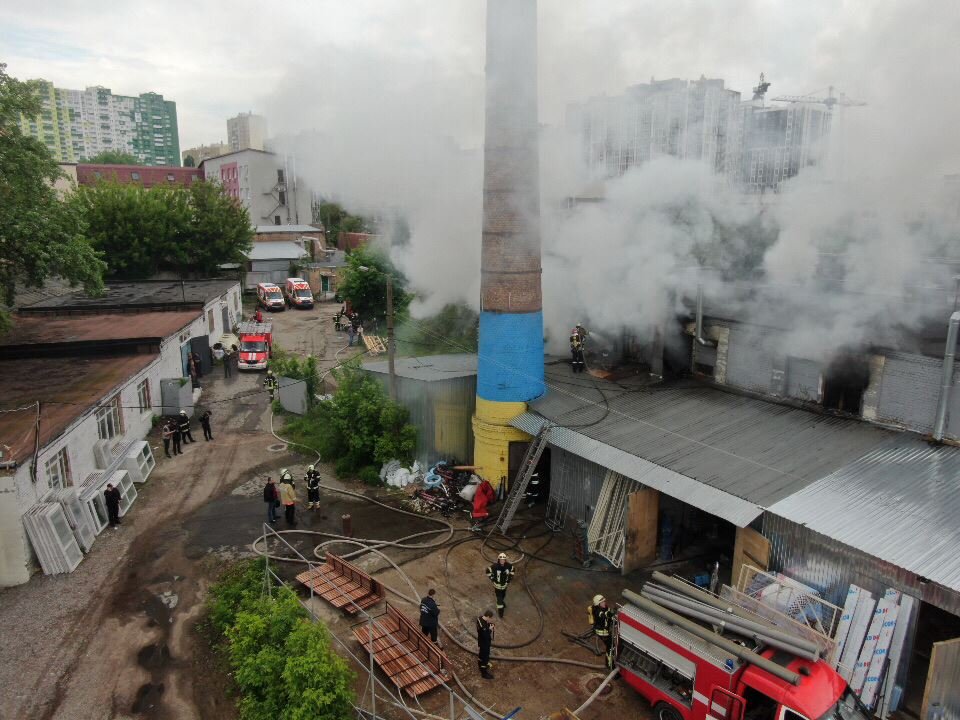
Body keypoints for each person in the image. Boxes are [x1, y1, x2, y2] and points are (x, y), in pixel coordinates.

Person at [486, 552, 515, 618]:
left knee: (503, 595)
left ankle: (502, 602)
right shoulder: (494, 566)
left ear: (505, 560)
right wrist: (492, 579)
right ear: (498, 560)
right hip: (497, 587)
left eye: (503, 559)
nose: (502, 561)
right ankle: (501, 613)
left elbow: (513, 570)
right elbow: (487, 571)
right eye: (501, 560)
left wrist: (509, 578)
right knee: (499, 601)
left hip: (504, 586)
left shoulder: (509, 566)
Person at [589, 595, 614, 668]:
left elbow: (609, 613)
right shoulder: (597, 611)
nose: (604, 603)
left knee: (612, 646)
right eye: (602, 602)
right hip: (602, 633)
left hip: (606, 631)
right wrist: (611, 614)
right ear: (598, 604)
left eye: (604, 601)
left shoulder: (605, 608)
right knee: (610, 647)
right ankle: (610, 665)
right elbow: (604, 615)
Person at [476, 610, 495, 679]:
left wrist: (489, 625)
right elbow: (486, 635)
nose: (490, 620)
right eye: (490, 618)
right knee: (485, 657)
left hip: (481, 641)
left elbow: (484, 626)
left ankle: (480, 665)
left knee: (481, 655)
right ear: (488, 616)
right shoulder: (483, 627)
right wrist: (490, 629)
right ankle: (484, 673)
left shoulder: (480, 618)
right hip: (484, 643)